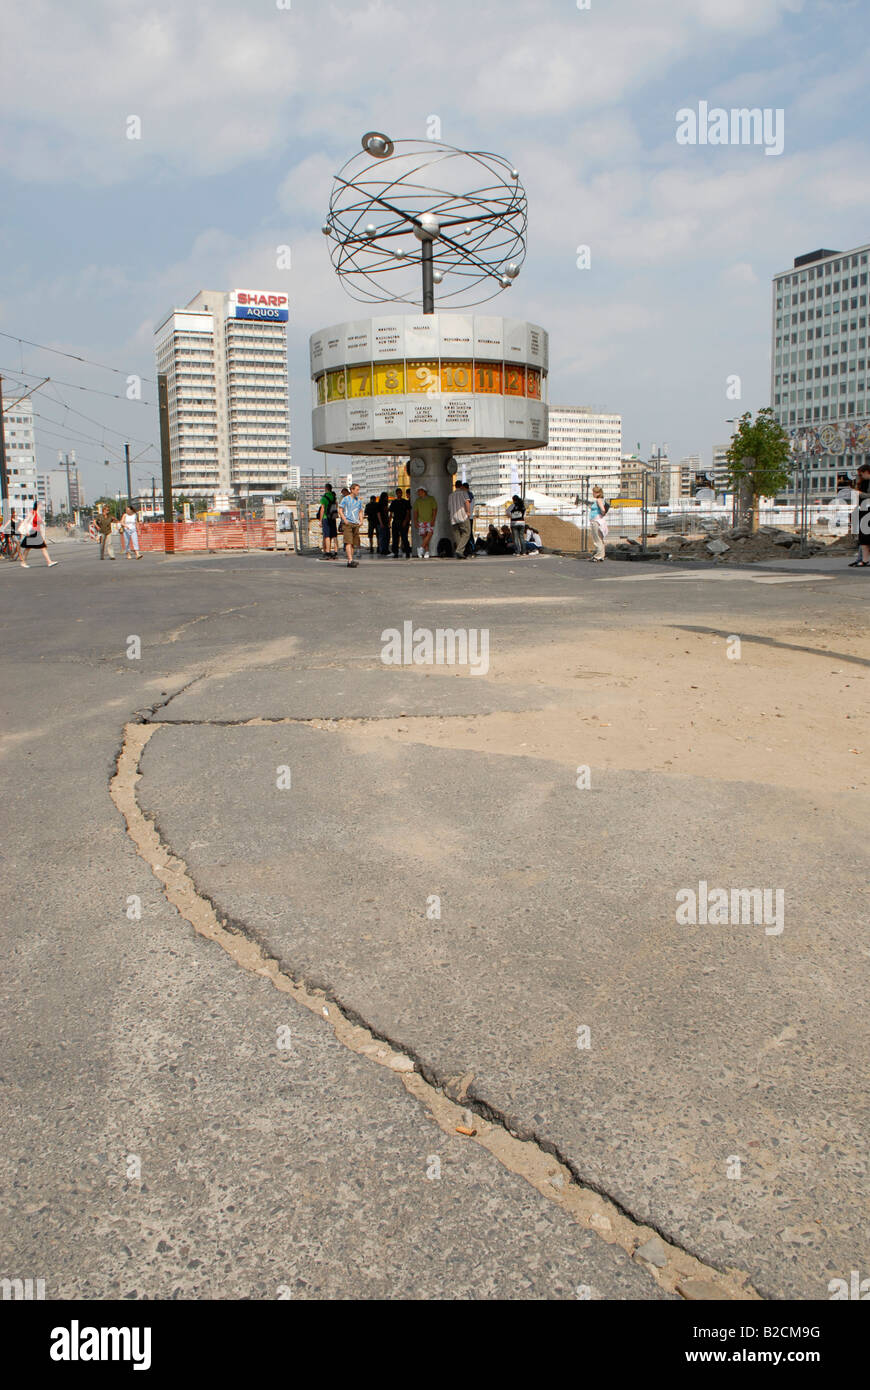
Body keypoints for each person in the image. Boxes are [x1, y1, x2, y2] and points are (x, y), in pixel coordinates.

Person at [18, 503, 58, 569]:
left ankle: (49, 562)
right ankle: (49, 562)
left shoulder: (38, 513)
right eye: (41, 505)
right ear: (37, 505)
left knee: (41, 547)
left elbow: (39, 523)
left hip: (37, 532)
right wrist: (27, 531)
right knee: (29, 548)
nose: (42, 506)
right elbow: (26, 521)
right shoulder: (32, 512)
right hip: (32, 532)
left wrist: (42, 524)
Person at [849, 463, 870, 567]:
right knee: (864, 538)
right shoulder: (863, 482)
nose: (860, 477)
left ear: (866, 472)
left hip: (867, 510)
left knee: (865, 537)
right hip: (863, 510)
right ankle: (861, 559)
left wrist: (860, 494)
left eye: (861, 475)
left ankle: (862, 559)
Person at [339, 482, 364, 567]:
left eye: (358, 490)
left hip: (355, 523)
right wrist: (344, 519)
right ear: (352, 490)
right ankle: (350, 560)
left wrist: (361, 520)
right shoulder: (345, 499)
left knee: (353, 543)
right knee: (348, 542)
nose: (358, 491)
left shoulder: (359, 501)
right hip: (348, 523)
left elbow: (360, 511)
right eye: (357, 490)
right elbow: (340, 510)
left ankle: (351, 560)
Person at [448, 478, 472, 559]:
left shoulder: (451, 495)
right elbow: (467, 502)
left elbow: (449, 507)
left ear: (455, 486)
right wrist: (468, 512)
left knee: (457, 534)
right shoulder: (464, 493)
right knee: (466, 532)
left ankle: (459, 551)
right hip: (462, 515)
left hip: (453, 517)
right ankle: (459, 550)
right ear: (461, 486)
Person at [413, 487, 437, 559]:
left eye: (419, 492)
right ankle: (426, 552)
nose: (418, 493)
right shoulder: (417, 501)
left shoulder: (431, 499)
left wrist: (433, 519)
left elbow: (435, 510)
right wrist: (415, 521)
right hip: (421, 521)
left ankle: (421, 548)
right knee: (424, 537)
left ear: (424, 491)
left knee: (430, 534)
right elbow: (415, 512)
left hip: (429, 521)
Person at [389, 487, 412, 558]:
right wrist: (389, 521)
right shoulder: (394, 502)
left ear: (402, 494)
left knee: (404, 537)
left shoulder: (405, 502)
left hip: (403, 521)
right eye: (398, 493)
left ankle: (407, 551)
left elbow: (408, 512)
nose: (399, 494)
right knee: (395, 537)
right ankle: (395, 552)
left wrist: (406, 521)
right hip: (395, 521)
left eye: (400, 493)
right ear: (396, 494)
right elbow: (391, 513)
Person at [589, 485, 609, 562]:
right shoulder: (600, 500)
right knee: (600, 539)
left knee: (597, 539)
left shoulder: (598, 500)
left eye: (594, 492)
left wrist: (602, 513)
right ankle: (601, 556)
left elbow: (603, 509)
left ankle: (598, 556)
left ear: (598, 493)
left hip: (596, 521)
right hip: (599, 520)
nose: (593, 494)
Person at [317, 486, 338, 558]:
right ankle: (335, 551)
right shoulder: (334, 496)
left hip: (326, 518)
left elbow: (322, 509)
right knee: (334, 535)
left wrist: (320, 520)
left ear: (326, 488)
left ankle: (328, 552)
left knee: (327, 536)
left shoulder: (324, 497)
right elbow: (336, 505)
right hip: (333, 518)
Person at [376, 491, 391, 555]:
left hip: (386, 522)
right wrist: (381, 523)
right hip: (381, 523)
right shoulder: (379, 504)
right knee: (382, 536)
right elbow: (378, 514)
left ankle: (386, 549)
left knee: (387, 536)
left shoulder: (385, 504)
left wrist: (388, 522)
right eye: (386, 497)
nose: (387, 498)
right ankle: (382, 550)